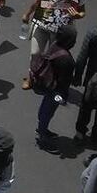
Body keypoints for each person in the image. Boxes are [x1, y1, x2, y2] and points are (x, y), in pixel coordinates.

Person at [21, 0, 86, 61]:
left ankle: (45, 75)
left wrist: (77, 15)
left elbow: (82, 12)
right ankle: (32, 75)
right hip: (42, 26)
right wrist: (27, 14)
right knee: (35, 54)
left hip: (60, 32)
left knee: (52, 58)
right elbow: (38, 1)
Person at [29, 24, 77, 154]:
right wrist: (63, 97)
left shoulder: (55, 45)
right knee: (48, 110)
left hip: (47, 85)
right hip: (56, 90)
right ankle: (42, 137)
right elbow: (64, 82)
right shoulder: (67, 60)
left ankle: (42, 129)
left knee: (45, 107)